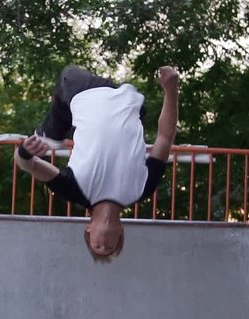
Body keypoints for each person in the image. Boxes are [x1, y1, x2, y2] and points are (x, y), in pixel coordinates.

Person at [14, 65, 179, 262]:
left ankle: (52, 133)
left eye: (97, 245)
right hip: (130, 102)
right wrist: (171, 90)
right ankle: (53, 133)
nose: (104, 243)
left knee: (68, 75)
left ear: (89, 229)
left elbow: (29, 166)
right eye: (109, 246)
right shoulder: (142, 189)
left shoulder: (75, 190)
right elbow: (164, 138)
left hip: (83, 93)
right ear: (121, 232)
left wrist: (24, 152)